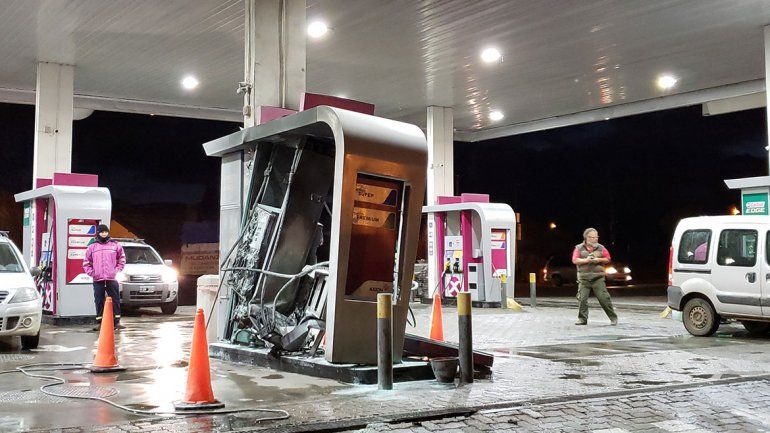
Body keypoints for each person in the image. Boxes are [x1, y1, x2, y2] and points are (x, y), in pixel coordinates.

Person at [83, 224, 126, 331]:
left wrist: (116, 271)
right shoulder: (92, 247)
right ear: (98, 233)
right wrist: (93, 273)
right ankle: (100, 322)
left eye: (106, 232)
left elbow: (122, 259)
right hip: (98, 279)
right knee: (98, 300)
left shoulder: (115, 245)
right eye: (102, 232)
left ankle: (116, 322)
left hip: (112, 278)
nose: (104, 234)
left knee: (115, 300)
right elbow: (86, 262)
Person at [572, 228, 618, 326]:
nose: (595, 239)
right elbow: (575, 260)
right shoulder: (579, 248)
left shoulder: (601, 248)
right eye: (593, 237)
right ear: (587, 238)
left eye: (596, 237)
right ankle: (582, 319)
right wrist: (587, 260)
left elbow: (607, 258)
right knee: (582, 299)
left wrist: (598, 259)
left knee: (604, 298)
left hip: (598, 278)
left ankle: (613, 318)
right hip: (584, 279)